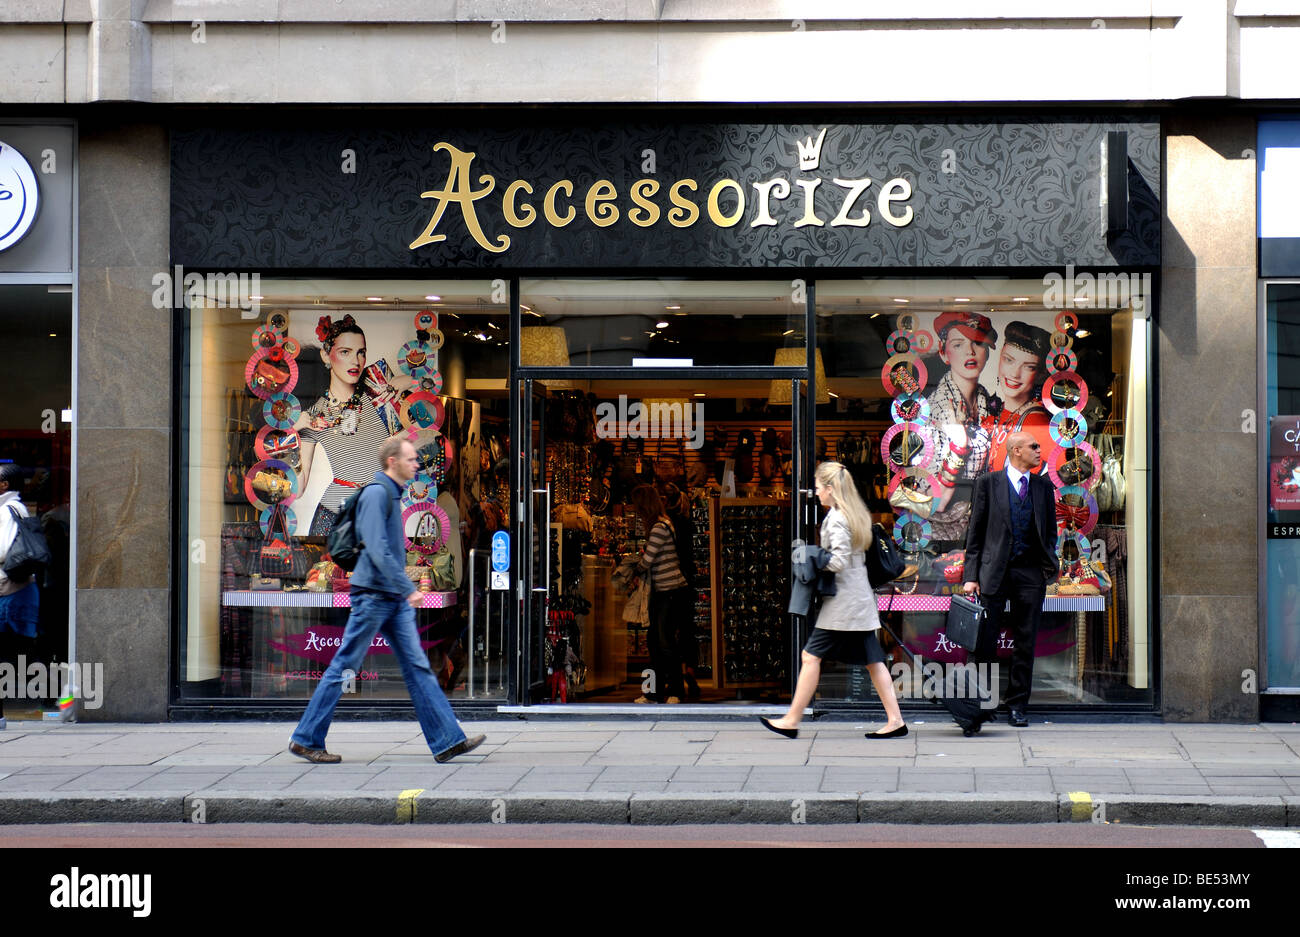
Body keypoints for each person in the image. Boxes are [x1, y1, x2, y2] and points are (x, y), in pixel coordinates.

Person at [289, 438, 484, 763]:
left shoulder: (391, 495)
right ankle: (306, 737)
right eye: (410, 459)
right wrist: (407, 588)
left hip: (388, 597)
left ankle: (447, 739)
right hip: (374, 595)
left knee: (418, 667)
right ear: (392, 461)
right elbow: (378, 549)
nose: (416, 464)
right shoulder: (379, 494)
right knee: (344, 664)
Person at [760, 461, 907, 740]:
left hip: (844, 605)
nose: (816, 493)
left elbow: (838, 561)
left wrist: (812, 555)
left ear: (830, 489)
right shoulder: (855, 513)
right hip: (857, 601)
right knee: (873, 661)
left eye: (818, 488)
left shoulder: (837, 518)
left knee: (811, 655)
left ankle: (792, 719)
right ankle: (895, 720)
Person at [961, 431, 1060, 727]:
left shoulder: (1043, 487)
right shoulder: (988, 484)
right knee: (985, 642)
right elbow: (975, 532)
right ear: (1016, 450)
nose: (1039, 450)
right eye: (1034, 446)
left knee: (1025, 642)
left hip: (1030, 574)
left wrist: (1047, 567)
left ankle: (1017, 705)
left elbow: (1050, 531)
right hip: (994, 572)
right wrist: (971, 575)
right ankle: (981, 703)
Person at [296, 315, 412, 536]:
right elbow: (298, 489)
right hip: (334, 515)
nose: (355, 361)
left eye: (361, 352)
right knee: (328, 572)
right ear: (325, 355)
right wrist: (289, 429)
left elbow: (428, 421)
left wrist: (410, 381)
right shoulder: (313, 414)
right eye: (345, 352)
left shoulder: (379, 390)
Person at [926, 312, 997, 542]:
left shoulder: (984, 399)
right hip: (943, 528)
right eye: (958, 344)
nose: (970, 352)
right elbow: (938, 500)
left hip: (978, 520)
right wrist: (959, 445)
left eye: (978, 343)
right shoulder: (939, 405)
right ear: (943, 352)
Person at [629, 484, 695, 704]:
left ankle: (674, 691)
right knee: (656, 642)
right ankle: (653, 692)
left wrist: (630, 569)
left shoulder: (659, 526)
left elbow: (647, 561)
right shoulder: (664, 523)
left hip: (670, 591)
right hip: (664, 591)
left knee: (664, 642)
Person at [0, 464, 40, 730]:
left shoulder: (6, 510)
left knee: (10, 651)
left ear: (4, 485)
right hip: (16, 588)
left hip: (9, 590)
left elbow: (3, 549)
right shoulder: (16, 507)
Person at [984, 320, 1053, 473]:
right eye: (1008, 360)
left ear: (1041, 374)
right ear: (1000, 358)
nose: (1015, 374)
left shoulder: (1035, 422)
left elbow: (1060, 472)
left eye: (1028, 367)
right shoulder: (1000, 412)